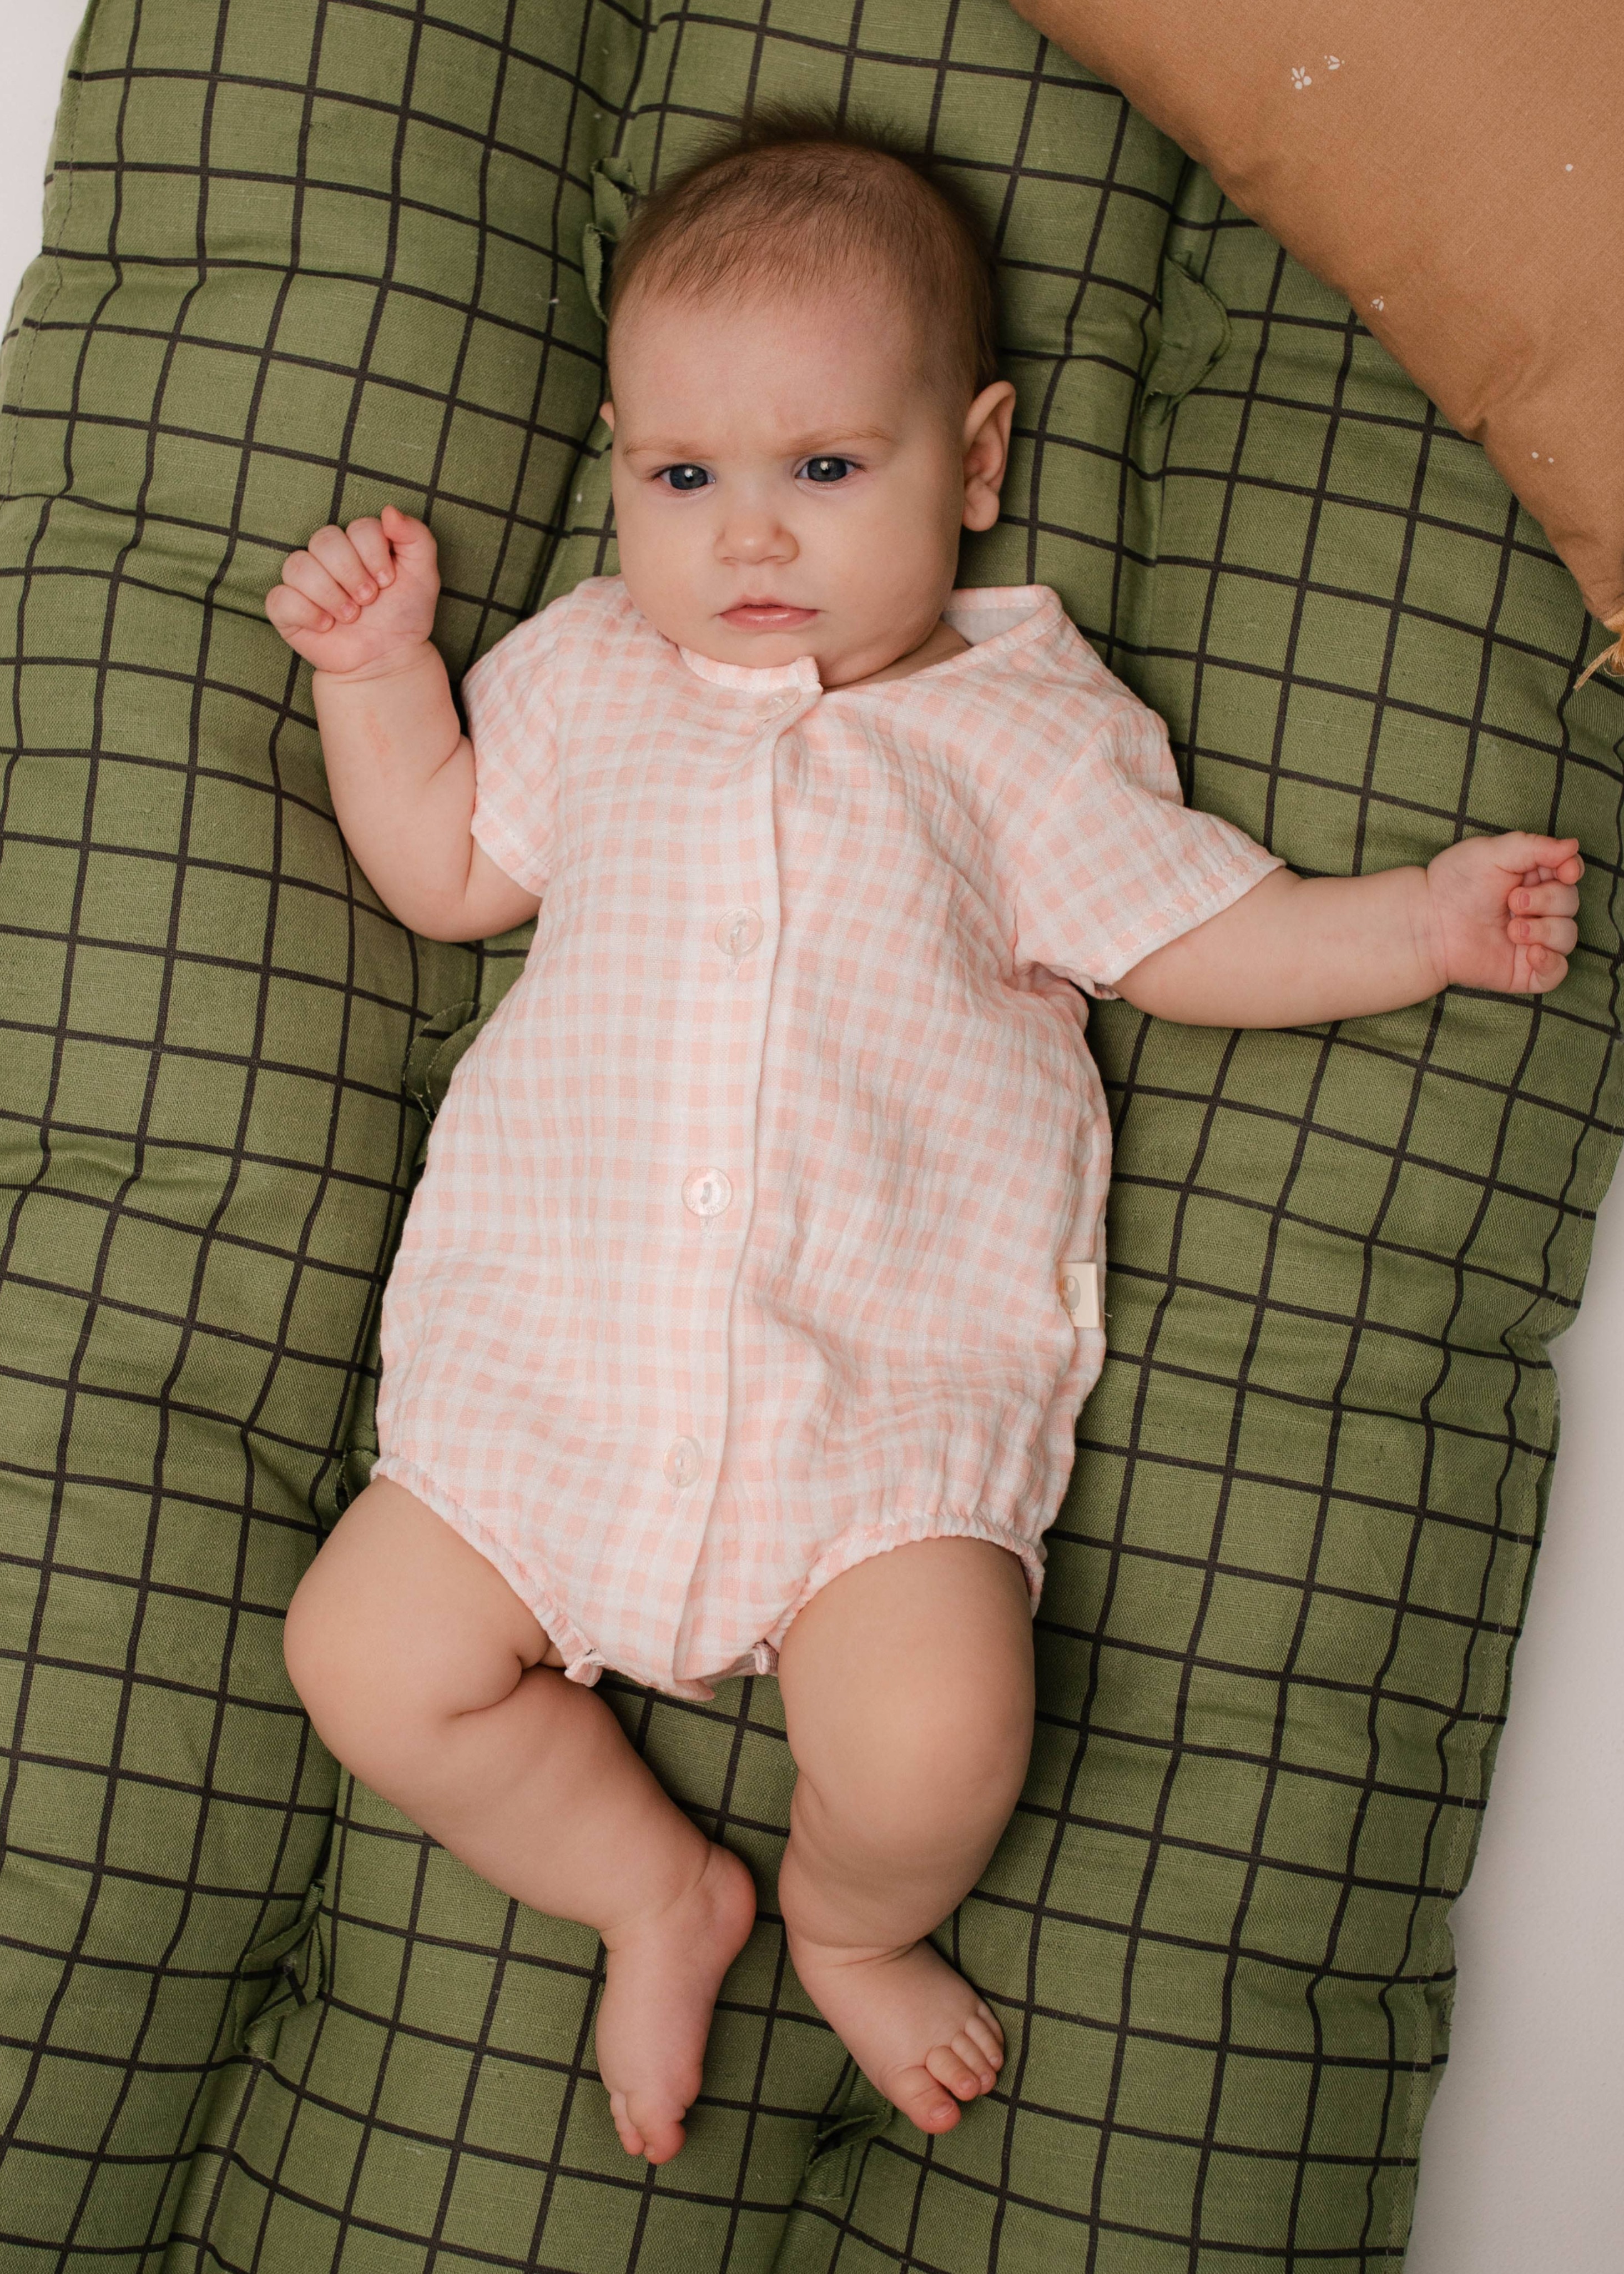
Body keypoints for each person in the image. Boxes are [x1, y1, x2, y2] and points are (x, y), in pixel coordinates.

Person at [264, 111, 1582, 2167]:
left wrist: (1416, 925)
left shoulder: (1019, 726)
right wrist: (374, 673)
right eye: (683, 480)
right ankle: (653, 1893)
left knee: (943, 1735)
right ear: (617, 467)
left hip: (873, 1410)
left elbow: (1193, 936)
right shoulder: (593, 673)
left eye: (825, 470)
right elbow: (442, 869)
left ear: (972, 463)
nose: (750, 540)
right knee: (362, 1658)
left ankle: (850, 1924)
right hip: (551, 1384)